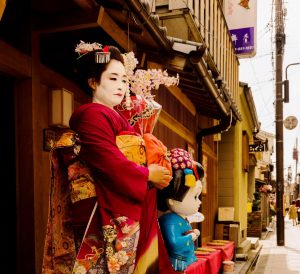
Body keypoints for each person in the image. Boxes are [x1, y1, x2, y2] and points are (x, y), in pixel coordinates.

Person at [42, 41, 172, 274]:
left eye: (124, 79)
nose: (121, 85)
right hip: (102, 211)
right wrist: (147, 174)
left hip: (117, 204)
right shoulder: (91, 115)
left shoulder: (113, 116)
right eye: (113, 78)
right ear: (93, 82)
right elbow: (108, 161)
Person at [157, 148, 205, 272]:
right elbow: (174, 243)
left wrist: (191, 232)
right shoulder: (170, 221)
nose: (199, 202)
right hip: (175, 260)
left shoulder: (178, 218)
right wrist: (192, 236)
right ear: (172, 200)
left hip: (183, 258)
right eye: (195, 197)